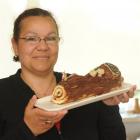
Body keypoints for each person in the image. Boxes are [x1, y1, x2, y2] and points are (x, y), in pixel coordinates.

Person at [0, 8, 136, 140]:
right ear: (15, 45)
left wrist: (108, 106)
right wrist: (27, 129)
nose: (43, 47)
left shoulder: (85, 89)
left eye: (51, 38)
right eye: (31, 38)